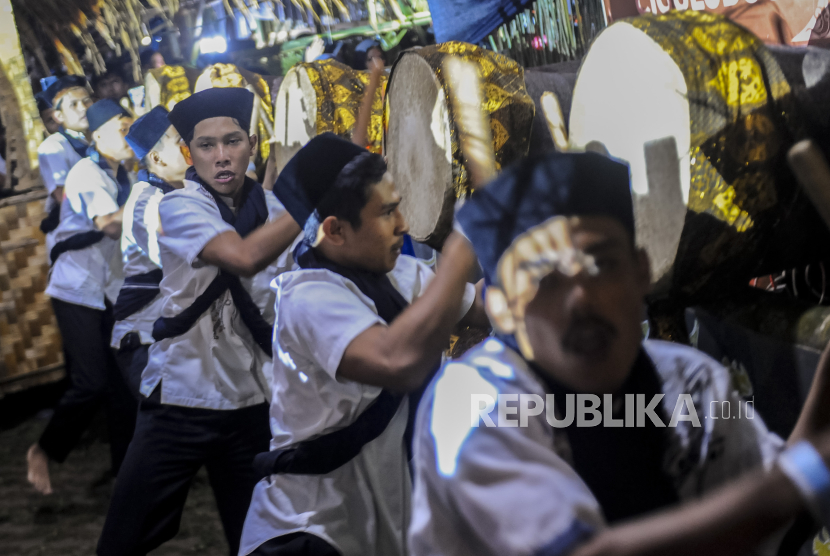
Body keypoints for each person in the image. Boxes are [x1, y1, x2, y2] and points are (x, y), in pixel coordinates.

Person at [408, 151, 830, 556]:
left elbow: (774, 514)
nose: (581, 299)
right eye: (545, 279)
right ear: (500, 308)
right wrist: (804, 475)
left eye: (601, 264)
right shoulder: (469, 403)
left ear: (642, 271)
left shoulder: (690, 383)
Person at [238, 133, 488, 556]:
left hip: (380, 517)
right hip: (312, 529)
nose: (403, 225)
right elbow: (395, 361)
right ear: (334, 230)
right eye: (387, 212)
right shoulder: (308, 296)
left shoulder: (400, 275)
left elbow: (482, 306)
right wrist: (463, 248)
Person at [97, 87, 301, 556]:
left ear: (252, 144)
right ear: (189, 154)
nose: (222, 156)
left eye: (233, 142)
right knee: (122, 541)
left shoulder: (273, 210)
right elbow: (243, 257)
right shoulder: (178, 205)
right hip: (183, 401)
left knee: (258, 541)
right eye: (206, 146)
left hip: (253, 403)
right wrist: (314, 197)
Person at [28, 99, 138, 495]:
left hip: (106, 288)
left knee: (125, 383)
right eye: (121, 129)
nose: (129, 136)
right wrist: (148, 194)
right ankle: (43, 451)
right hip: (76, 290)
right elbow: (109, 225)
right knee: (90, 382)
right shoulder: (86, 172)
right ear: (97, 137)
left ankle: (126, 472)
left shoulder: (123, 171)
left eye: (130, 127)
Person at [111, 105, 189, 398]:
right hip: (145, 340)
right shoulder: (147, 203)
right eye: (178, 139)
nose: (189, 144)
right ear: (156, 158)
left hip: (173, 334)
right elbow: (181, 262)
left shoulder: (182, 189)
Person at [36, 76, 94, 247]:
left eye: (86, 101)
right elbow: (63, 196)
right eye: (73, 104)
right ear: (58, 115)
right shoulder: (54, 146)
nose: (83, 108)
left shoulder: (102, 137)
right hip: (76, 238)